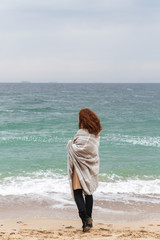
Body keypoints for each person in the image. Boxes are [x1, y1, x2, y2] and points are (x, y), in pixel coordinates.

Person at [67, 108, 102, 232]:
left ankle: (85, 219)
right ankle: (89, 221)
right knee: (88, 192)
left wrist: (70, 144)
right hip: (90, 167)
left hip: (79, 167)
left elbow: (77, 149)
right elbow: (92, 151)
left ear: (82, 119)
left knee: (77, 192)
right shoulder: (95, 134)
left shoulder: (81, 133)